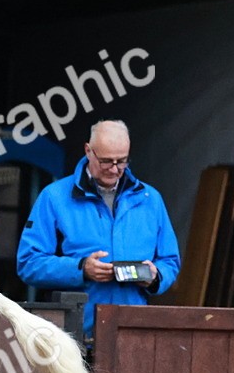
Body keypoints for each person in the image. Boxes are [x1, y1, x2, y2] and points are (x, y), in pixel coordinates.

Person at [16, 120, 180, 349]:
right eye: (106, 161)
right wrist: (81, 269)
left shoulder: (150, 199)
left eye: (121, 161)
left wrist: (155, 276)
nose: (114, 169)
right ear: (88, 151)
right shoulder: (54, 197)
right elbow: (28, 262)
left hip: (133, 335)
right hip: (72, 339)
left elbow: (170, 261)